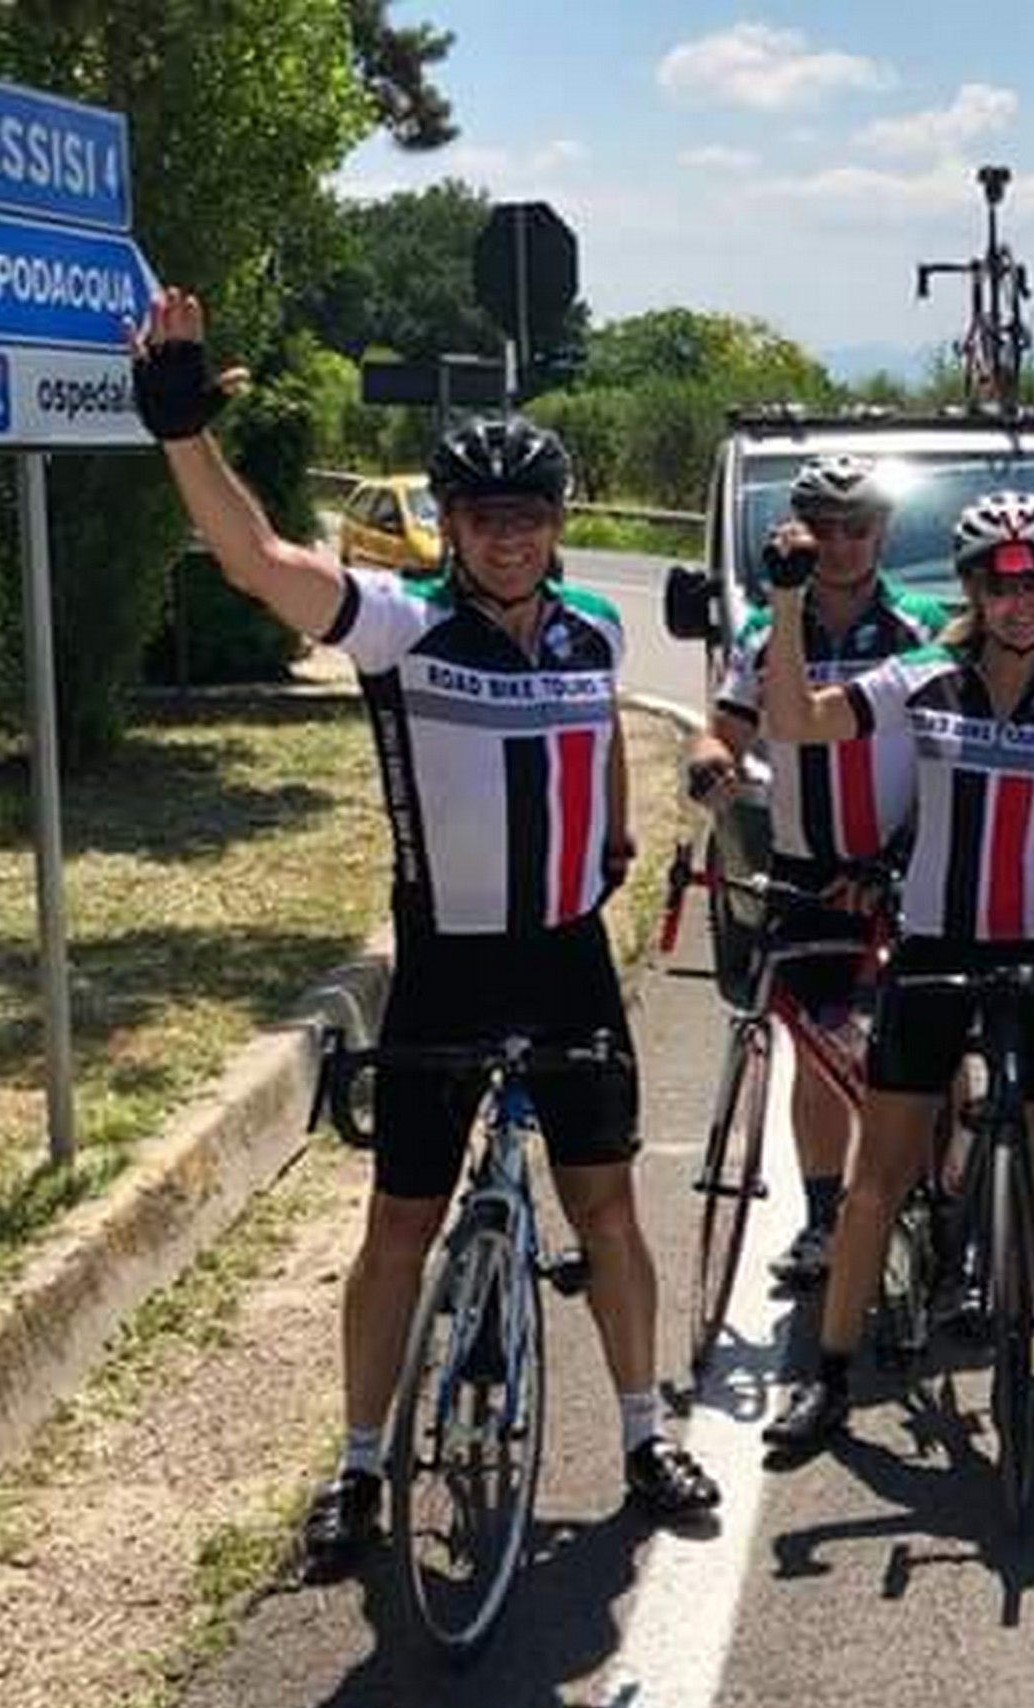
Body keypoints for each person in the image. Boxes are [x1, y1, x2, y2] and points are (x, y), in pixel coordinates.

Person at [129, 288, 720, 1577]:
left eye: (529, 516)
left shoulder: (595, 630)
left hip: (567, 961)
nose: (508, 537)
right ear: (449, 529)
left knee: (608, 1209)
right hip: (444, 965)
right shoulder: (403, 627)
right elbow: (259, 562)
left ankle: (639, 1434)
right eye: (484, 518)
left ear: (557, 527)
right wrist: (182, 432)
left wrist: (614, 840)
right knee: (399, 1222)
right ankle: (352, 1469)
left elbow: (602, 744)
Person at [756, 490, 1034, 1452]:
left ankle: (1023, 1323)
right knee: (877, 1178)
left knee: (1033, 1147)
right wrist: (790, 602)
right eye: (997, 579)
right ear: (970, 586)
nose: (1019, 597)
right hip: (933, 946)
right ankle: (831, 1373)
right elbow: (797, 721)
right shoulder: (920, 675)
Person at [683, 454, 945, 1292]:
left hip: (901, 862)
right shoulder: (768, 629)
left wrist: (895, 860)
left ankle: (943, 1201)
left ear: (884, 533)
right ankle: (827, 1217)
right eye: (821, 528)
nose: (838, 545)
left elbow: (955, 756)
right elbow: (722, 728)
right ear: (793, 532)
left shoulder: (924, 626)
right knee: (814, 1046)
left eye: (855, 528)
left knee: (932, 1045)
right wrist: (709, 764)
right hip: (804, 864)